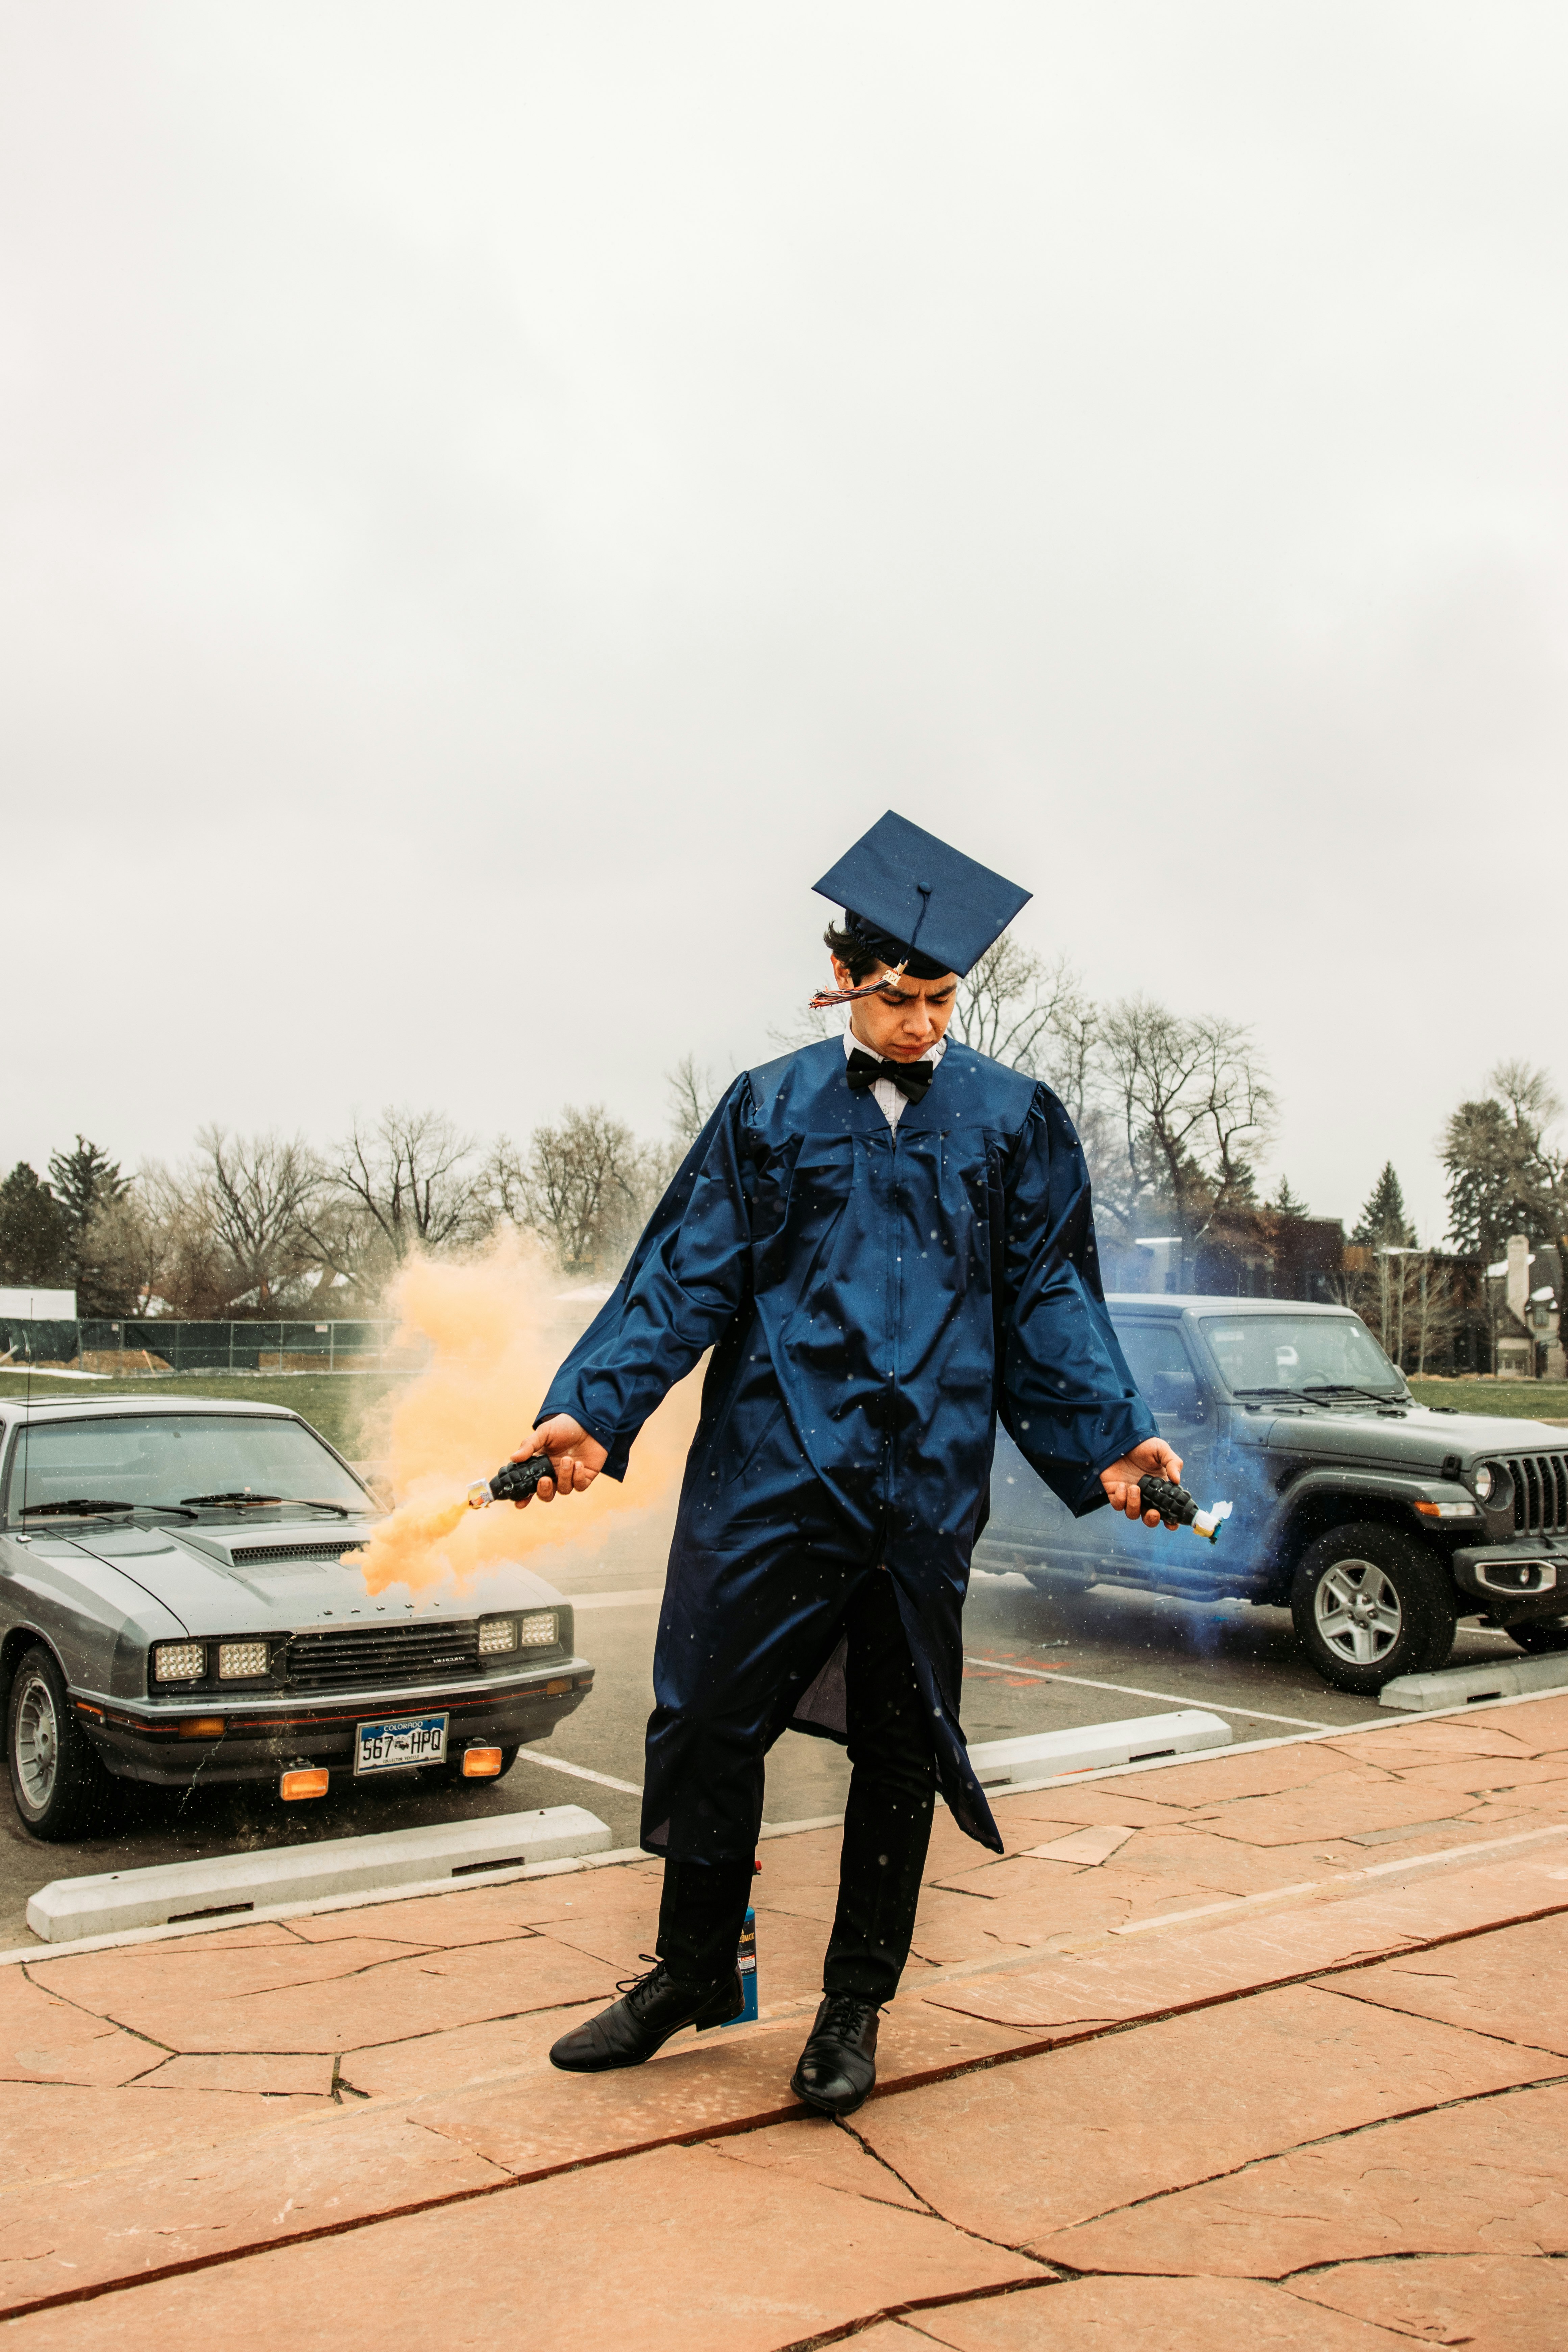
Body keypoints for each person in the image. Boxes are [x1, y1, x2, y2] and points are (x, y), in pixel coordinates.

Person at [512, 812, 1179, 2116]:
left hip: (920, 1488)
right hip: (767, 1471)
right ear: (842, 982)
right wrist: (592, 1412)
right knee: (706, 1721)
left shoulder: (1013, 1122)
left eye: (940, 998)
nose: (922, 1022)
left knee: (898, 1744)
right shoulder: (765, 1112)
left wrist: (1109, 1439)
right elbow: (680, 1280)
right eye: (897, 998)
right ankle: (691, 1969)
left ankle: (854, 2007)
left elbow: (1047, 1294)